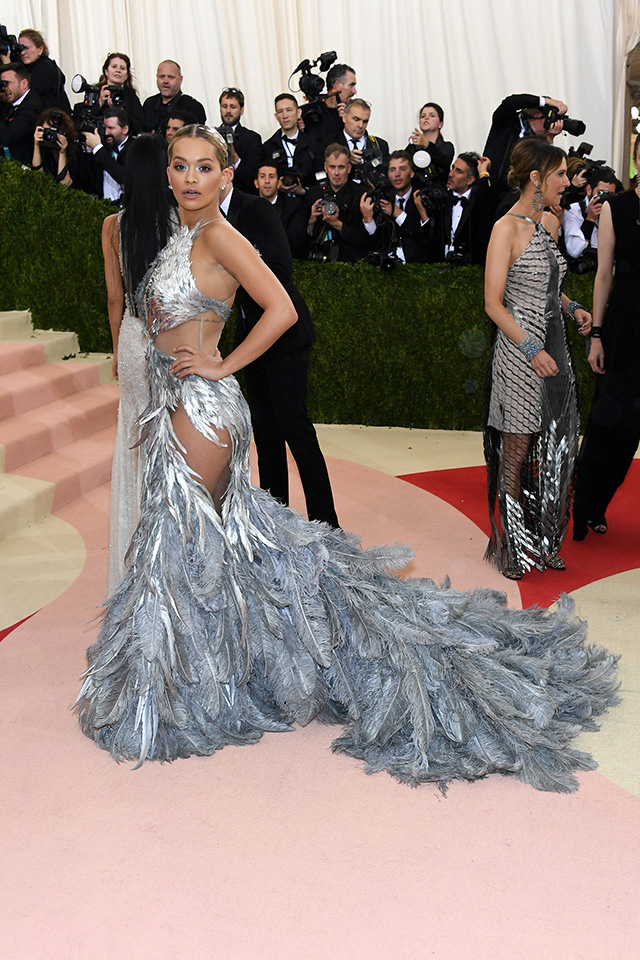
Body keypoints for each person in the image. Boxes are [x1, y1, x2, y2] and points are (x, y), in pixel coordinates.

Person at [75, 124, 619, 794]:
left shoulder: (219, 234)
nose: (190, 178)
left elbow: (280, 310)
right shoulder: (183, 236)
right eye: (180, 166)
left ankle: (177, 693)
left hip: (202, 414)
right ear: (169, 174)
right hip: (176, 411)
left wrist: (223, 365)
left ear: (226, 175)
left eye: (205, 167)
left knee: (172, 557)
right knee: (218, 556)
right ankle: (214, 675)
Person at [483, 137, 592, 580]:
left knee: (554, 447)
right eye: (560, 174)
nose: (567, 182)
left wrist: (573, 308)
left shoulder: (547, 224)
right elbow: (494, 304)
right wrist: (532, 350)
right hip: (521, 355)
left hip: (555, 352)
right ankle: (512, 546)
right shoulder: (504, 229)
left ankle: (543, 540)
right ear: (535, 178)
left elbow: (551, 287)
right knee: (517, 451)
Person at [221, 166, 338, 526]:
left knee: (295, 430)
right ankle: (276, 523)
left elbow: (280, 268)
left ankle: (328, 526)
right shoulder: (204, 220)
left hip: (285, 336)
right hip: (251, 340)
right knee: (266, 435)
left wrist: (226, 276)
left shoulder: (254, 208)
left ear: (224, 175)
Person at [102, 133, 177, 593]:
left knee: (132, 437)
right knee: (169, 438)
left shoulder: (113, 225)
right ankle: (172, 554)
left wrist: (117, 349)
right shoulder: (179, 221)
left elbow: (115, 297)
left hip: (133, 338)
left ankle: (134, 563)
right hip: (171, 336)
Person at [572, 134, 640, 540]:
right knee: (608, 424)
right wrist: (596, 333)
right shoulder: (617, 206)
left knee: (631, 432)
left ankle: (597, 501)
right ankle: (587, 504)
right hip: (625, 328)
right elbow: (603, 274)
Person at [306, 143, 371, 262]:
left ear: (349, 168)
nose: (336, 173)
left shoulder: (361, 194)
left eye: (341, 167)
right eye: (332, 167)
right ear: (325, 167)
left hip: (352, 262)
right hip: (318, 262)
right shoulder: (313, 193)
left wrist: (337, 224)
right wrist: (311, 222)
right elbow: (301, 239)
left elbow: (367, 239)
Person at [261, 93, 322, 194]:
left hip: (307, 204)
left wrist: (303, 191)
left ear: (298, 113)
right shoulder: (267, 147)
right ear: (276, 116)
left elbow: (320, 180)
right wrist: (276, 186)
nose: (285, 116)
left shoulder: (314, 146)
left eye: (289, 110)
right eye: (280, 112)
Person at [562, 165, 617, 272]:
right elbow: (574, 250)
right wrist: (590, 219)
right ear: (589, 190)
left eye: (610, 194)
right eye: (600, 193)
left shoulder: (616, 211)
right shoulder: (573, 210)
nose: (604, 198)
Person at [216, 86, 262, 194]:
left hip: (243, 198)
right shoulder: (212, 136)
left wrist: (235, 159)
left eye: (233, 107)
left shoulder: (252, 138)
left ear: (241, 110)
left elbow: (254, 179)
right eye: (224, 106)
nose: (228, 111)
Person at [142, 60, 206, 135]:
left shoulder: (193, 107)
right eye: (162, 76)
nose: (165, 81)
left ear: (180, 79)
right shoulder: (149, 103)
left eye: (171, 77)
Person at [82, 106, 131, 200]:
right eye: (104, 127)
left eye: (111, 128)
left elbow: (122, 176)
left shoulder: (134, 148)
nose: (106, 132)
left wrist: (97, 148)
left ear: (125, 129)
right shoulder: (103, 145)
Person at [302, 62, 357, 144]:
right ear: (337, 85)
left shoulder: (352, 112)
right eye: (351, 85)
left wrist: (347, 122)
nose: (354, 91)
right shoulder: (310, 112)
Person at [17, 28, 70, 112]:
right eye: (20, 48)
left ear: (40, 49)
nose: (22, 52)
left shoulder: (46, 68)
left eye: (27, 48)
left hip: (51, 121)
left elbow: (23, 94)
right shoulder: (29, 67)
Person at [0, 61, 43, 164]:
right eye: (2, 84)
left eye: (8, 83)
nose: (4, 88)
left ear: (24, 83)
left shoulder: (32, 107)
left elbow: (7, 138)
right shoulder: (10, 102)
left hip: (25, 169)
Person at [406, 102, 454, 184]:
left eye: (432, 115)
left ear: (440, 124)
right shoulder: (412, 148)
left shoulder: (447, 147)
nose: (426, 118)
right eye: (423, 116)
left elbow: (443, 161)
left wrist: (427, 144)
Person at [96, 52, 144, 134]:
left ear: (127, 75)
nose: (118, 70)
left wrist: (120, 110)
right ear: (106, 71)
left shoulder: (130, 95)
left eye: (122, 68)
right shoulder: (96, 91)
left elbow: (140, 126)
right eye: (114, 67)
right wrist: (99, 103)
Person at [31, 107, 79, 185]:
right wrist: (36, 145)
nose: (50, 136)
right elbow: (37, 176)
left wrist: (62, 152)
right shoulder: (45, 151)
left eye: (53, 132)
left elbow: (65, 184)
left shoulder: (75, 153)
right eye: (46, 131)